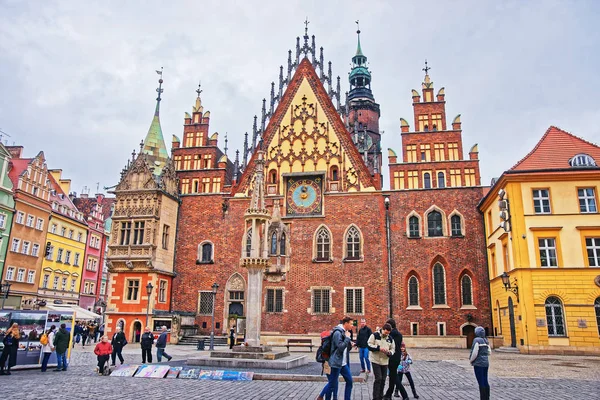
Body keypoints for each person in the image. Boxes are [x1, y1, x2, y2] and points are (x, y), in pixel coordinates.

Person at [318, 316, 354, 400]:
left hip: (343, 363)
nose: (352, 326)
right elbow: (340, 347)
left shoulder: (344, 332)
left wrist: (349, 342)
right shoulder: (338, 332)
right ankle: (321, 397)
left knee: (349, 381)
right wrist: (348, 338)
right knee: (332, 384)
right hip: (336, 362)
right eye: (351, 324)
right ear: (346, 323)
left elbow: (344, 346)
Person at [367, 323, 395, 400]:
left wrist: (389, 352)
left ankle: (380, 396)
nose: (387, 334)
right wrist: (378, 348)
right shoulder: (375, 335)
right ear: (383, 329)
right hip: (375, 360)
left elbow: (393, 349)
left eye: (388, 333)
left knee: (383, 379)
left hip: (385, 361)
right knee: (378, 378)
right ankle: (375, 398)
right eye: (386, 333)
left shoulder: (390, 339)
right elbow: (369, 345)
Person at [383, 319, 408, 400]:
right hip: (397, 357)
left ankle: (405, 395)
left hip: (392, 357)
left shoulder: (390, 335)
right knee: (392, 376)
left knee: (394, 377)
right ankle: (388, 395)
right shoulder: (399, 334)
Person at [469, 326, 491, 400]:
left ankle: (483, 398)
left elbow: (475, 352)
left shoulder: (476, 340)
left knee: (480, 380)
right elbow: (489, 352)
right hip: (486, 363)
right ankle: (487, 397)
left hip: (478, 363)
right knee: (485, 380)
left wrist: (471, 360)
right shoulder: (485, 340)